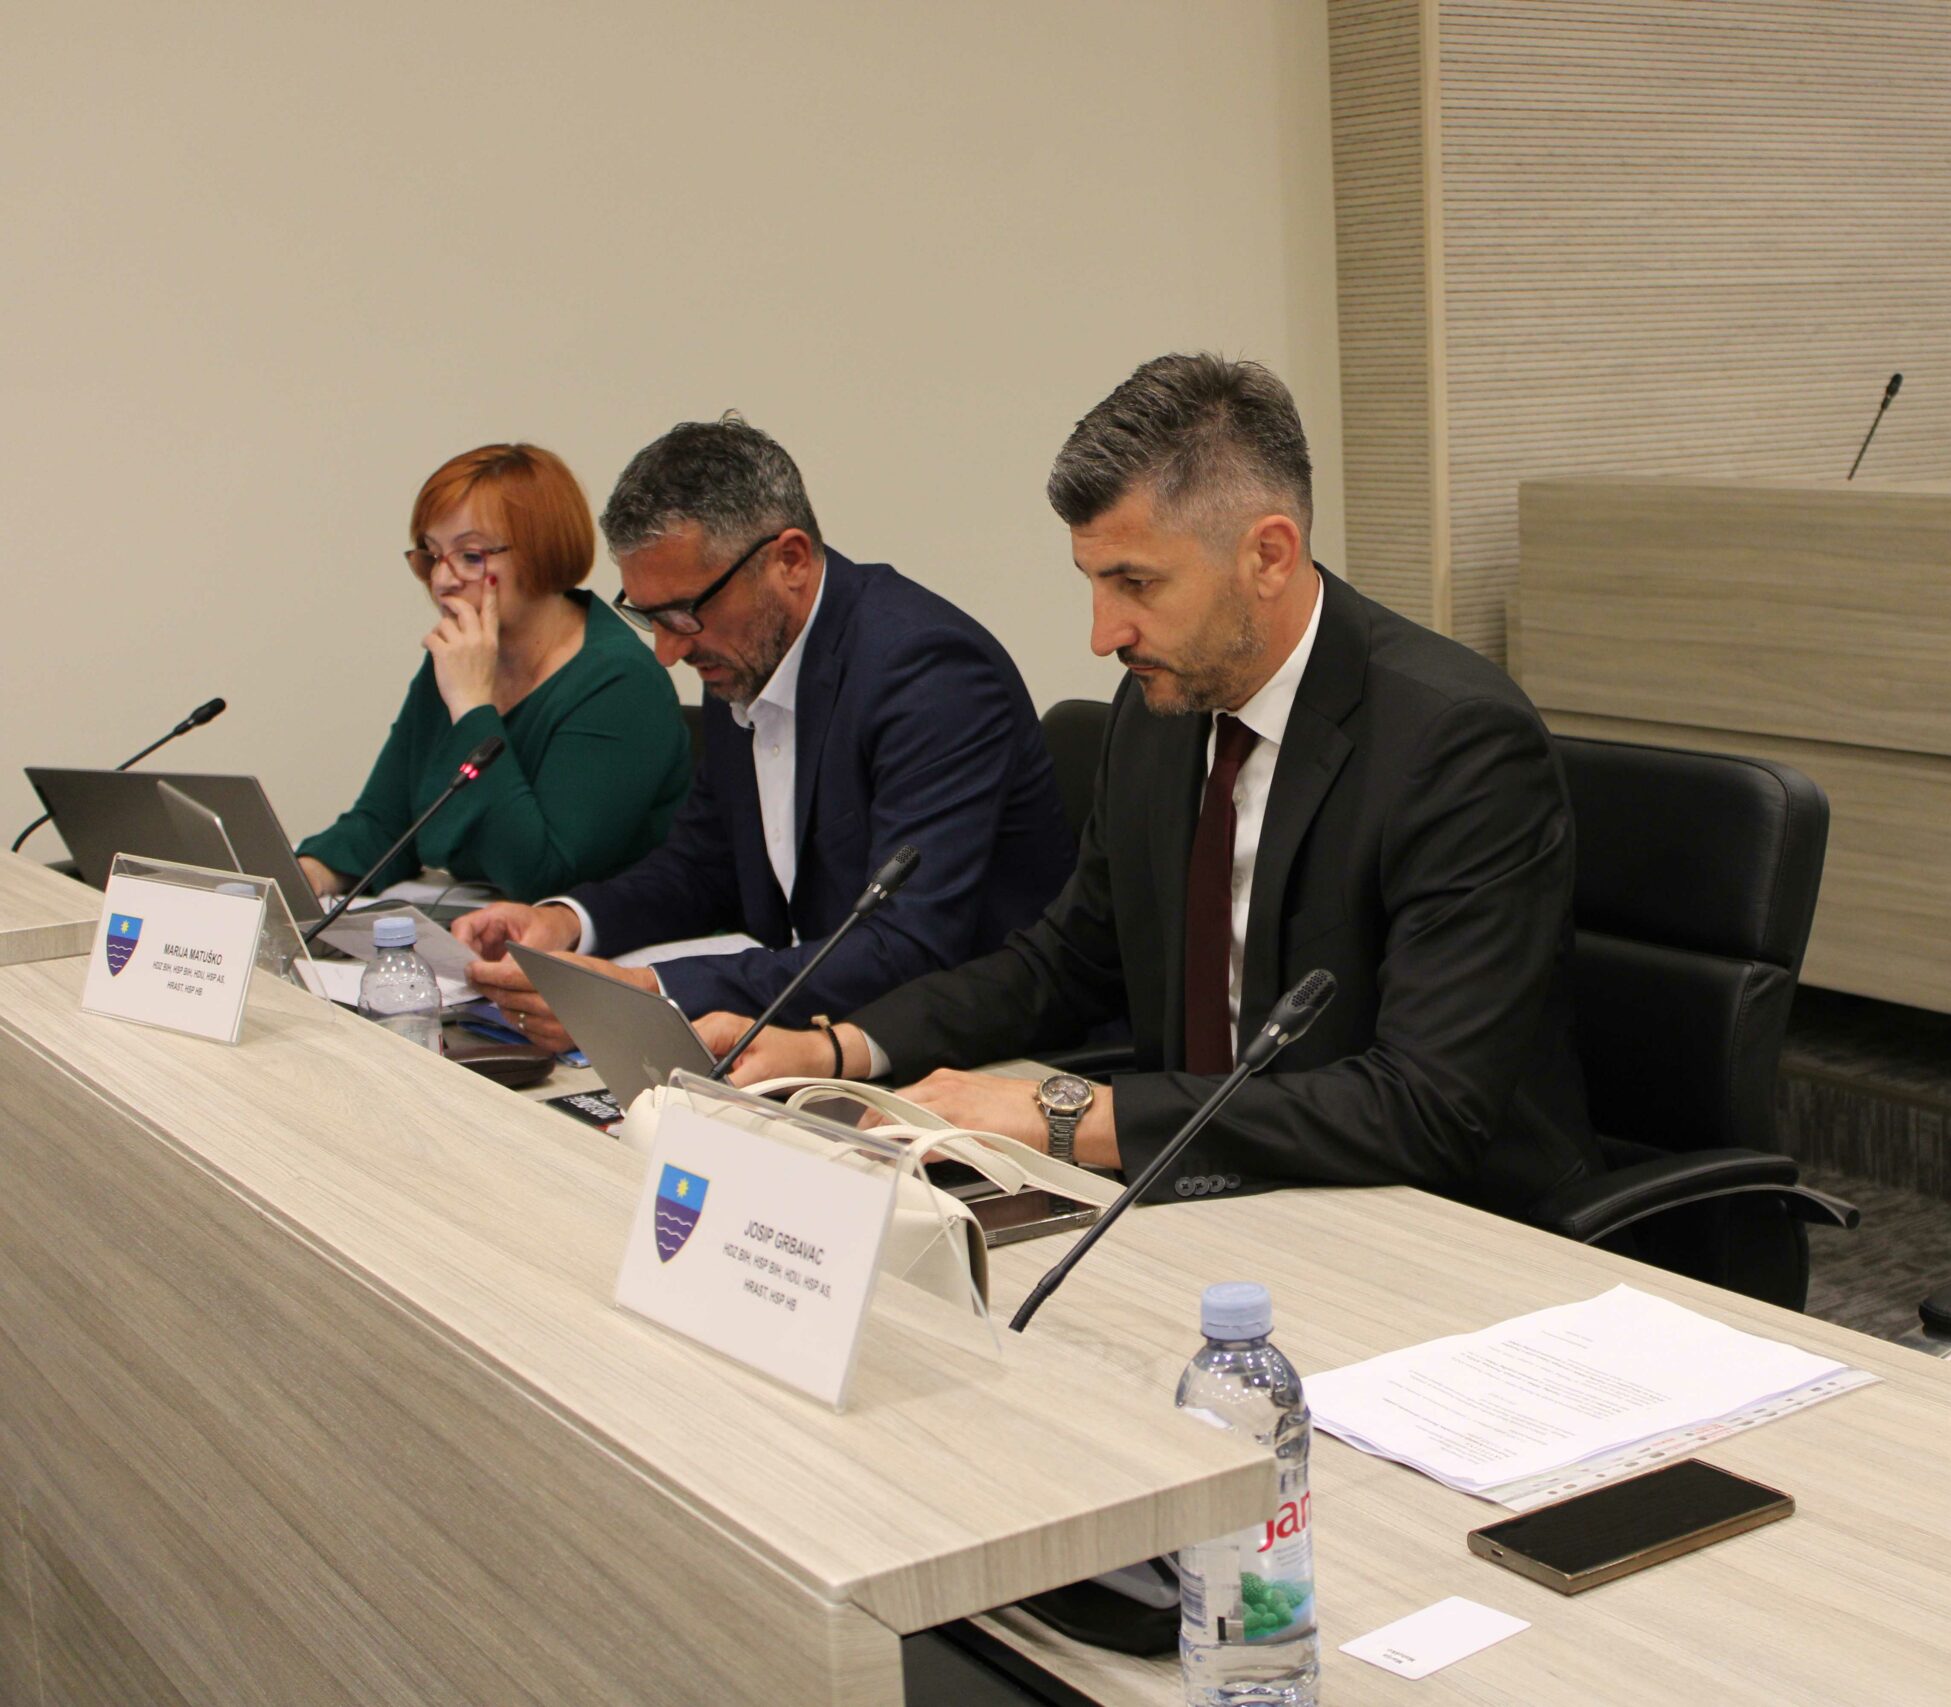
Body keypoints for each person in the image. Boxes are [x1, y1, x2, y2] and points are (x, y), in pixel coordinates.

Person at [703, 353, 1600, 1215]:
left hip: (1442, 1226)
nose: (1104, 633)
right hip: (1211, 1193)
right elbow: (1064, 962)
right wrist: (841, 1048)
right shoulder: (1161, 711)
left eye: (1136, 583)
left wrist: (1068, 1115)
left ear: (1269, 555)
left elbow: (1422, 1106)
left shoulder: (1456, 743)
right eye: (1094, 582)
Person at [454, 416, 1073, 1045]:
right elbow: (703, 867)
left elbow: (905, 943)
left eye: (683, 613)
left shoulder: (928, 673)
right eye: (649, 617)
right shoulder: (740, 654)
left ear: (790, 560)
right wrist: (568, 921)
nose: (667, 651)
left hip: (975, 1050)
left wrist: (653, 992)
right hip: (816, 1032)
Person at [297, 443, 690, 903]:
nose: (441, 581)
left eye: (470, 556)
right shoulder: (457, 659)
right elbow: (385, 826)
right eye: (431, 555)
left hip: (596, 936)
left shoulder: (620, 681)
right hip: (474, 923)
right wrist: (306, 875)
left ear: (541, 553)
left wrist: (471, 706)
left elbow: (541, 874)